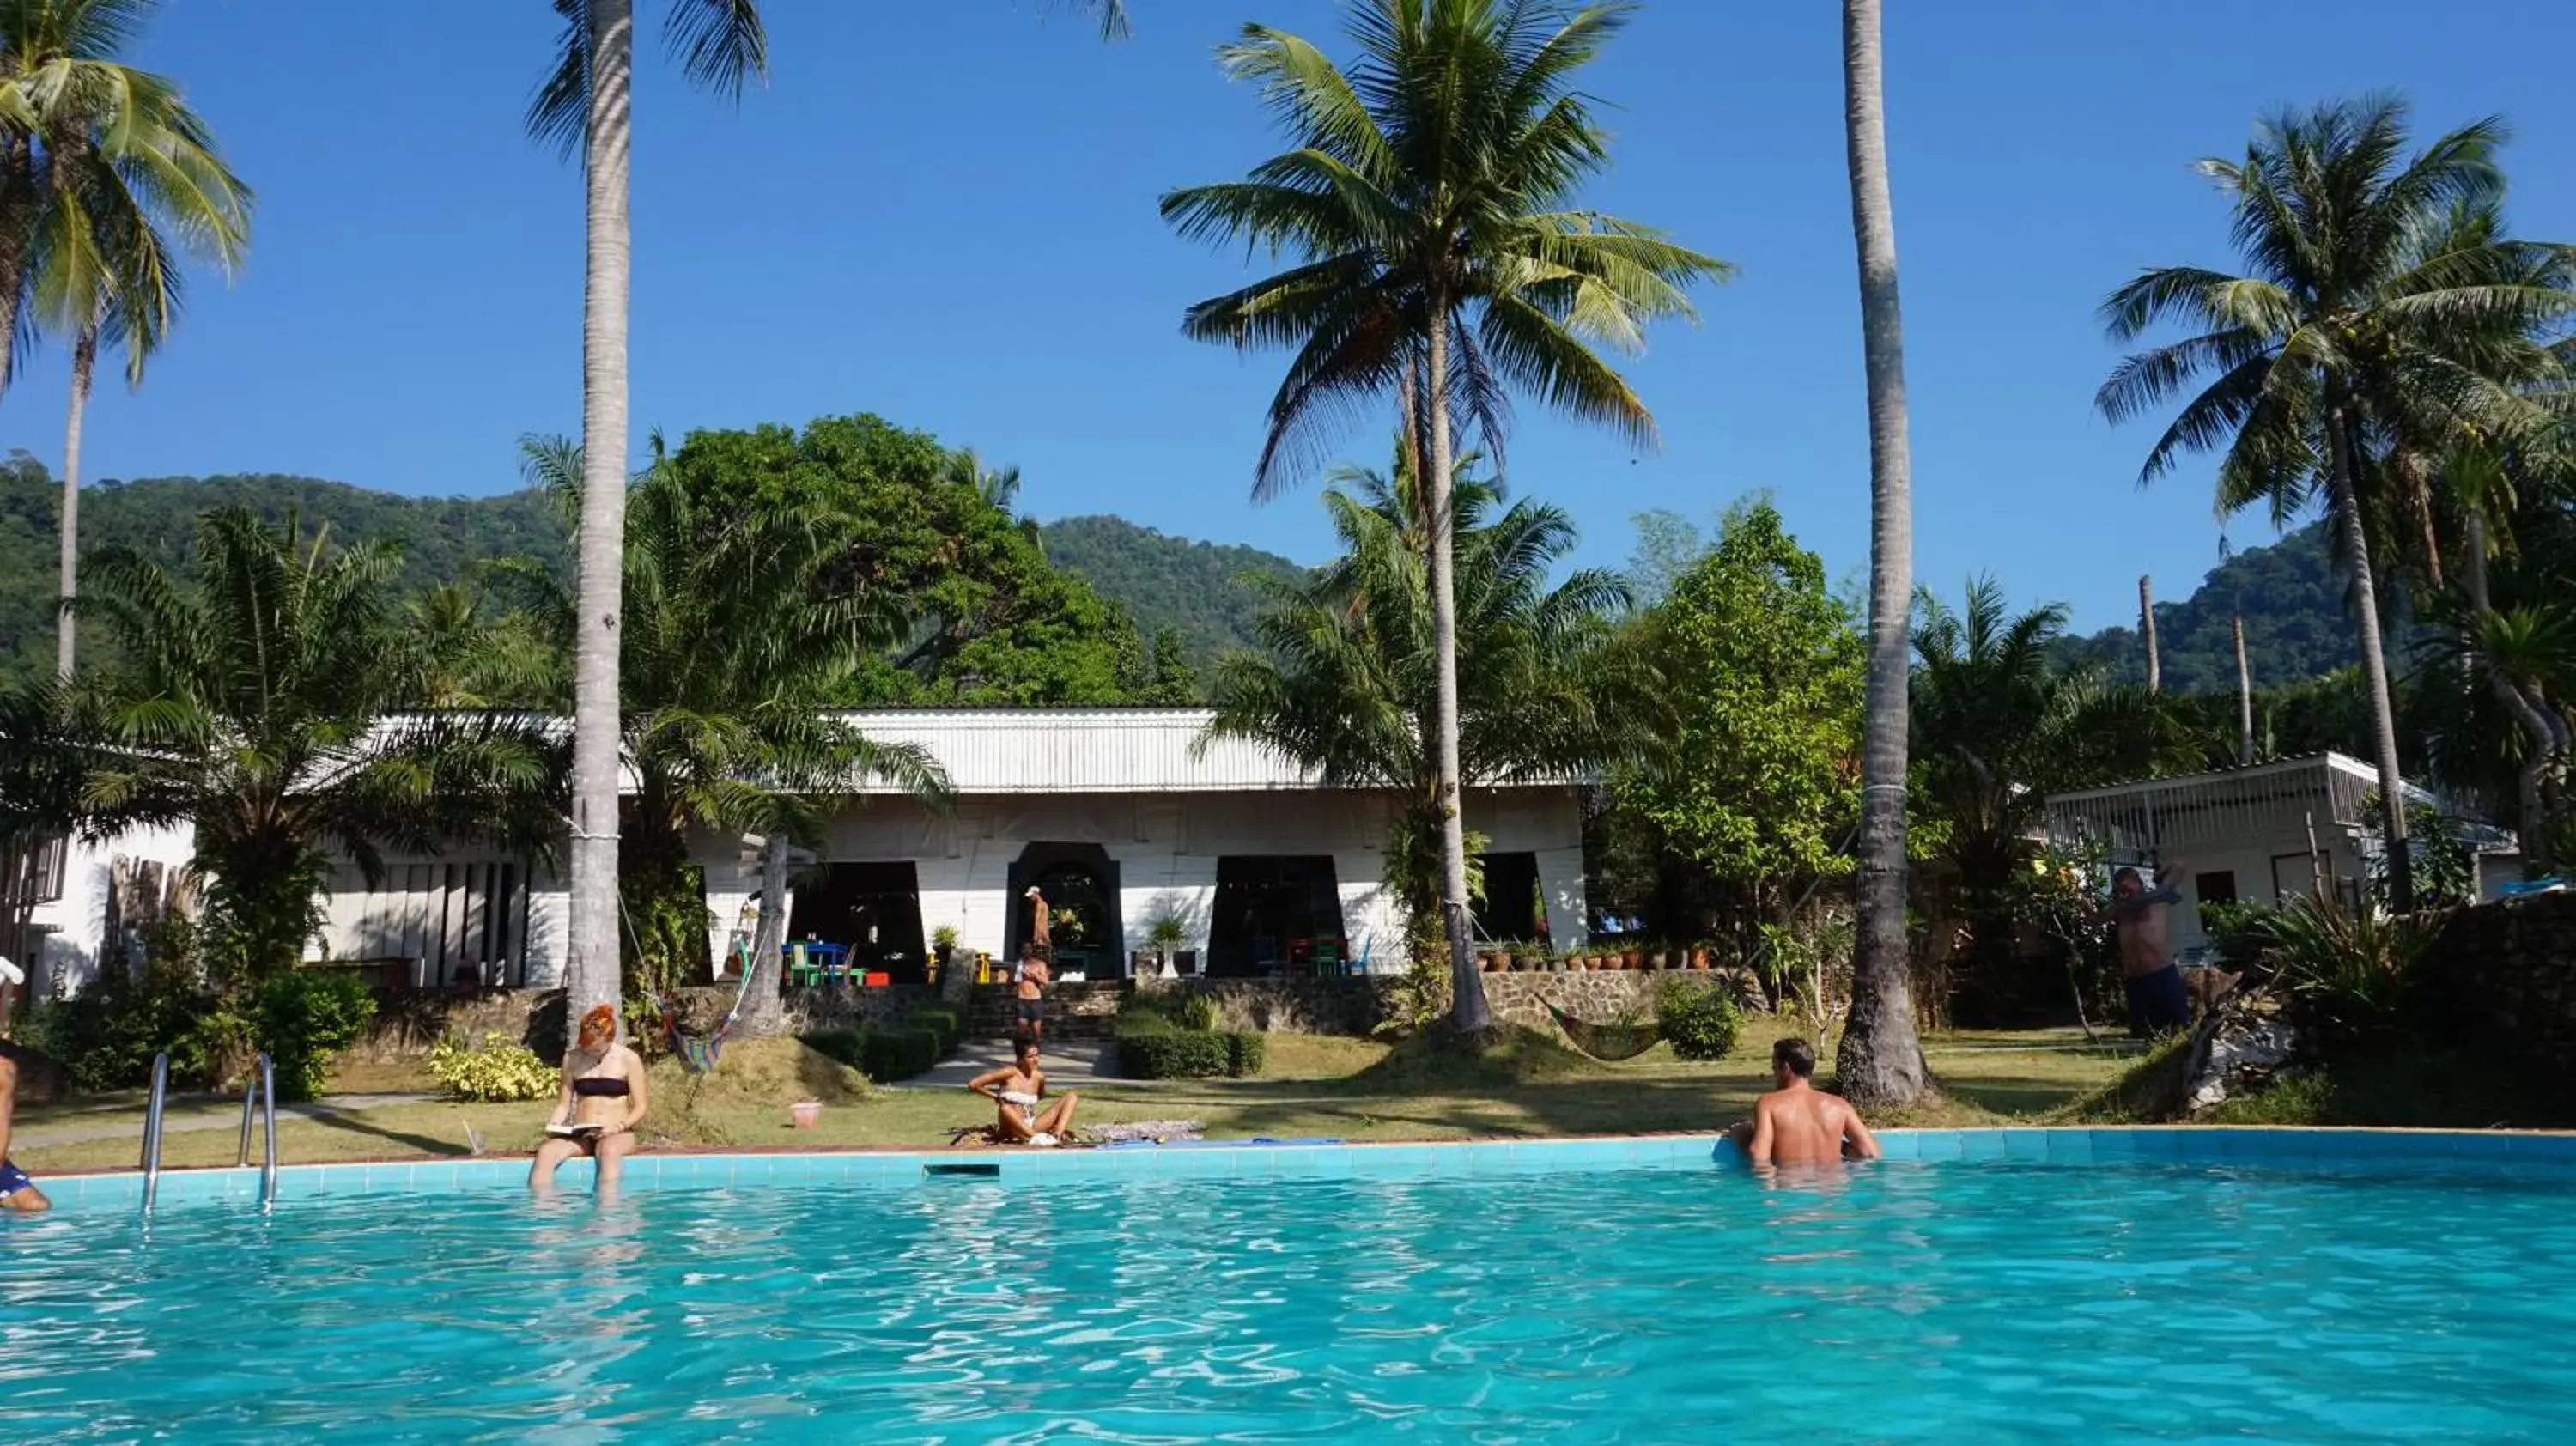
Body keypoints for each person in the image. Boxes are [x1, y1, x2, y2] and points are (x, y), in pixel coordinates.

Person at [532, 1004, 649, 1191]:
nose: (590, 1053)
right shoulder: (572, 1058)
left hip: (617, 1133)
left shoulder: (629, 1059)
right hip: (583, 1135)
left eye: (596, 1049)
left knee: (608, 1152)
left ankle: (608, 1208)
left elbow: (641, 1106)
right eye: (586, 1047)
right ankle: (542, 1207)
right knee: (546, 1152)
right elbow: (563, 1105)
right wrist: (553, 1126)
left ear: (610, 1039)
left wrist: (618, 1127)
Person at [1728, 1037, 1880, 1167]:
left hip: (1789, 1189)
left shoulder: (1769, 1103)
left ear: (1785, 1068)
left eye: (1774, 1068)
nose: (1774, 1074)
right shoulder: (1840, 1106)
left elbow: (1759, 1157)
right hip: (1831, 1190)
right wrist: (1839, 1145)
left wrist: (1743, 1138)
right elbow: (1870, 1152)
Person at [2105, 863, 2191, 1036]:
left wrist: (2160, 873)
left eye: (2126, 888)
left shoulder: (2158, 899)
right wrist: (2081, 901)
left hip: (2162, 975)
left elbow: (2179, 867)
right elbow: (2095, 920)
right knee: (2146, 1033)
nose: (2123, 894)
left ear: (2137, 883)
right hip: (2135, 981)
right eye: (2119, 890)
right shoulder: (2120, 909)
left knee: (2177, 1028)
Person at [967, 1036, 1079, 1146]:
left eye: (1037, 1055)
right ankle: (1038, 1138)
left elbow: (1040, 1095)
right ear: (1020, 1059)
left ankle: (1057, 1135)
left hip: (1031, 1124)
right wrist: (995, 1097)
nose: (1035, 1060)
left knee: (1071, 1096)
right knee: (1005, 1107)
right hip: (1010, 1128)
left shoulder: (1039, 1077)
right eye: (1030, 1057)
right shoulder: (1009, 1073)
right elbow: (973, 1084)